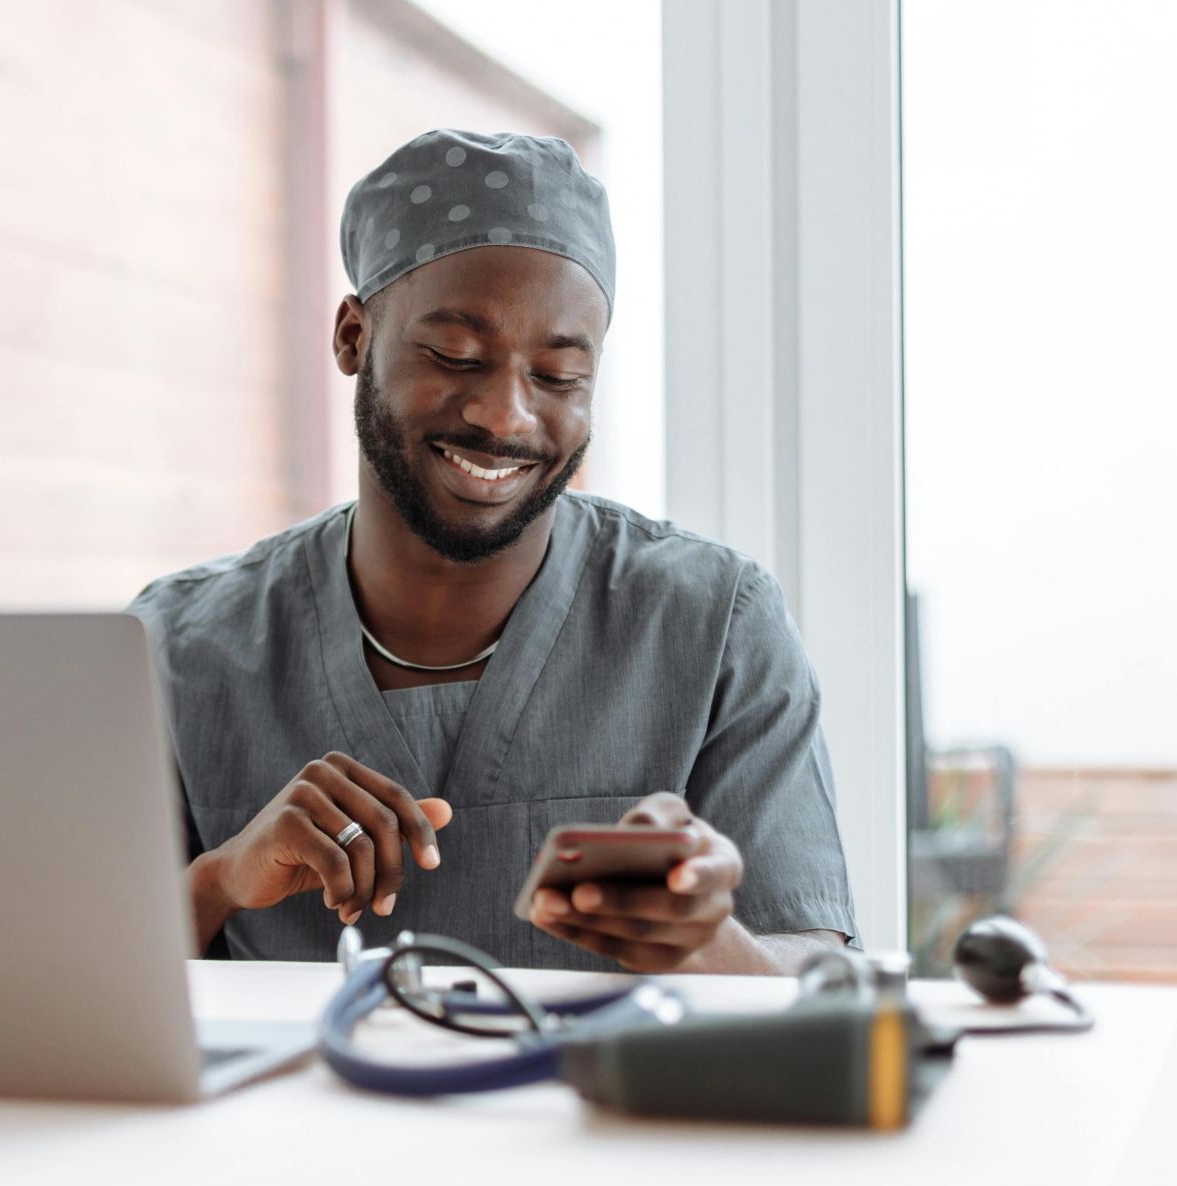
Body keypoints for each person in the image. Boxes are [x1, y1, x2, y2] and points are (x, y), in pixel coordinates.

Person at [130, 129, 858, 974]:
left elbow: (813, 974)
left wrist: (706, 941)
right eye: (455, 355)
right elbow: (53, 982)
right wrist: (220, 879)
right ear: (353, 336)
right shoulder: (180, 647)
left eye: (557, 376)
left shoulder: (711, 623)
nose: (506, 416)